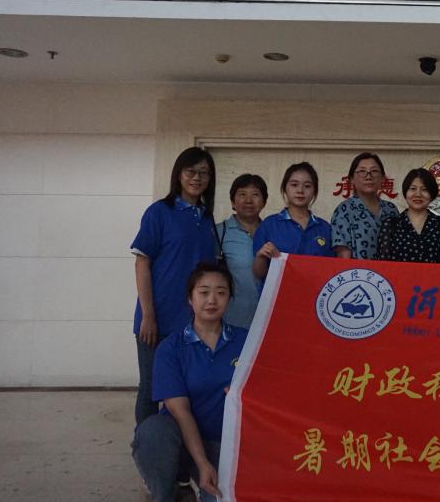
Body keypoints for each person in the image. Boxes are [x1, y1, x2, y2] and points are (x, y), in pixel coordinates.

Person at [131, 263, 247, 502]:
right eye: (204, 292)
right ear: (190, 299)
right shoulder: (171, 348)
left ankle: (200, 489)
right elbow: (180, 411)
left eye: (221, 292)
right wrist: (202, 462)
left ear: (229, 298)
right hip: (183, 441)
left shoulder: (246, 341)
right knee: (151, 432)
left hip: (225, 444)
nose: (212, 300)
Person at [130, 147, 218, 424]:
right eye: (191, 171)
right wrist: (148, 315)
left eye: (204, 173)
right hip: (158, 319)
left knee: (187, 389)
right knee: (152, 389)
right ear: (178, 174)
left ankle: (181, 444)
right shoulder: (159, 212)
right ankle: (145, 444)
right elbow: (142, 263)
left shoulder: (206, 218)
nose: (197, 178)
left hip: (193, 322)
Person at [252, 162, 332, 280]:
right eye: (294, 185)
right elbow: (258, 274)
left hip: (314, 291)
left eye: (307, 186)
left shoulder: (325, 228)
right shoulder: (268, 225)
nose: (300, 190)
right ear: (285, 188)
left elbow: (330, 270)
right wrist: (261, 256)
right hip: (278, 291)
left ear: (315, 191)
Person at [216, 174, 268, 329]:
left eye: (255, 194)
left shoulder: (273, 232)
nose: (248, 200)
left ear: (264, 201)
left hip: (268, 320)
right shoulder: (219, 232)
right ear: (233, 201)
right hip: (231, 319)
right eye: (242, 194)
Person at [376, 168, 440, 263]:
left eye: (424, 189)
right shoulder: (390, 225)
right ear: (406, 192)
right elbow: (383, 265)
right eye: (413, 188)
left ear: (432, 194)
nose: (418, 194)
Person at [331, 152, 400, 260]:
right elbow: (343, 256)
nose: (369, 177)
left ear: (383, 178)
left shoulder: (391, 209)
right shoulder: (344, 211)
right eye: (362, 171)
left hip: (390, 270)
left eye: (374, 171)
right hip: (358, 270)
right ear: (352, 179)